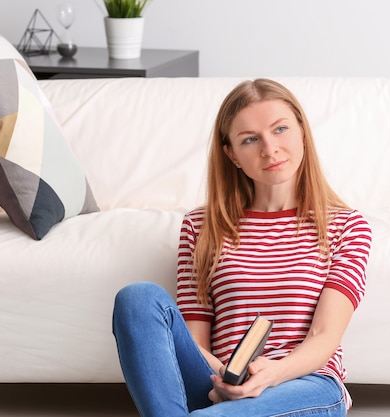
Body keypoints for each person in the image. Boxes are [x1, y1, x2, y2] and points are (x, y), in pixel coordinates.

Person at [112, 78, 372, 417]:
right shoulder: (201, 226)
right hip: (217, 382)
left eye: (280, 129)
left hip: (305, 384)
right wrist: (227, 379)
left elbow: (324, 337)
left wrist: (268, 376)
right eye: (250, 139)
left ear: (302, 133)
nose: (269, 148)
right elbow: (196, 343)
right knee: (138, 298)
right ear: (232, 155)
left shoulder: (346, 227)